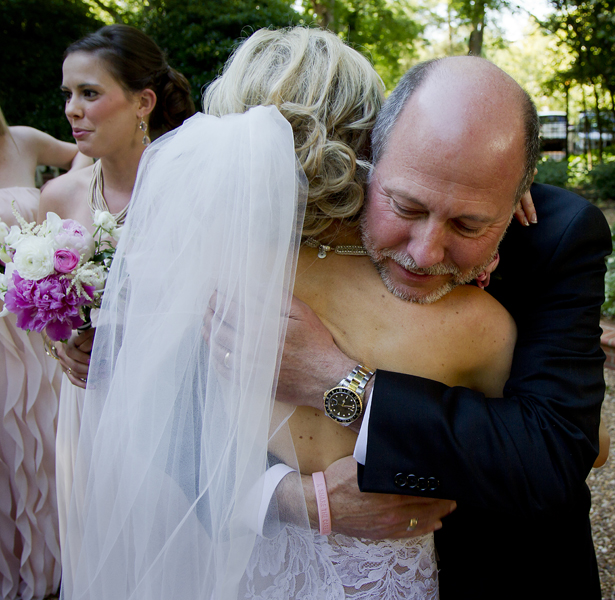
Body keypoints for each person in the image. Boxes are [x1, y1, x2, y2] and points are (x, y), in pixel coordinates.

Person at [62, 27, 550, 600]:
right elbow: (574, 444)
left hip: (245, 568)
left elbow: (159, 434)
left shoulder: (197, 281)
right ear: (370, 143)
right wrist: (484, 205)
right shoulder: (469, 322)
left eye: (466, 221)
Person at [275, 56, 612, 597]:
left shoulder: (559, 237)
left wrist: (340, 381)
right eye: (406, 206)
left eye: (470, 224)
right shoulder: (296, 220)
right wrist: (293, 499)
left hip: (504, 570)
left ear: (519, 196)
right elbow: (176, 443)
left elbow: (560, 451)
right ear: (369, 159)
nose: (425, 252)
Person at [37, 24, 194, 551]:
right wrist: (60, 346)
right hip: (88, 410)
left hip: (171, 413)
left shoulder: (190, 193)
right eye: (68, 95)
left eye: (89, 93)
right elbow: (41, 307)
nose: (72, 111)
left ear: (142, 102)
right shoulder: (57, 196)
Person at [0, 104, 91, 600]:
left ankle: (56, 568)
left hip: (35, 323)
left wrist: (54, 232)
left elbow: (86, 154)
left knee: (45, 442)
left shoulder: (22, 140)